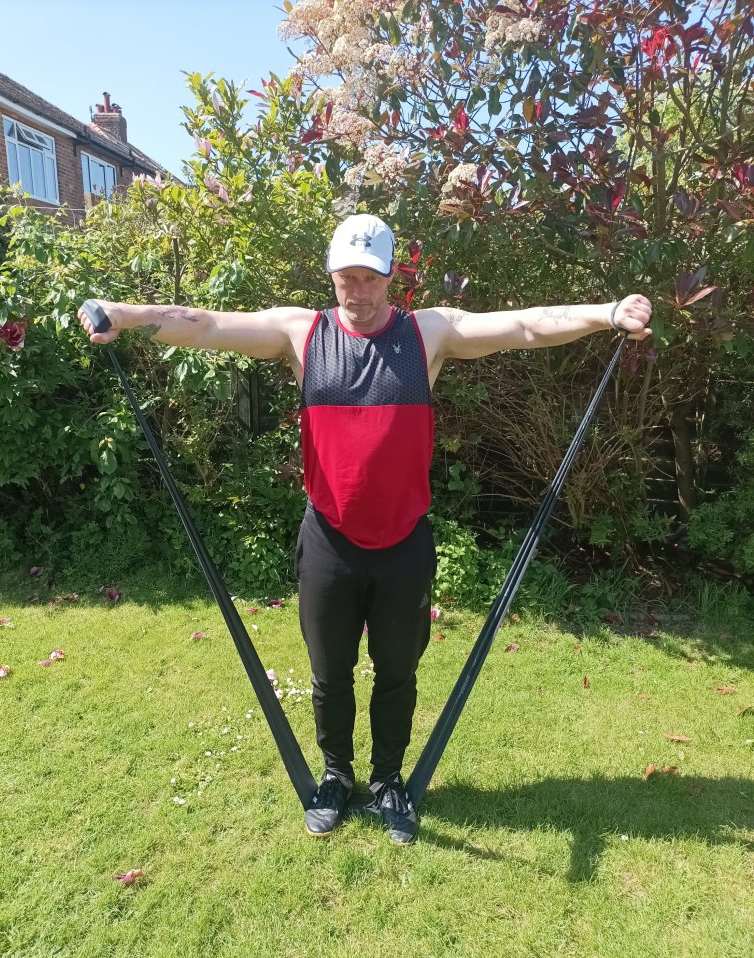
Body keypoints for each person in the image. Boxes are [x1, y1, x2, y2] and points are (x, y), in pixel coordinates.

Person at [78, 213, 652, 845]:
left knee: (397, 673)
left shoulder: (427, 333)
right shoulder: (302, 332)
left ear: (390, 276)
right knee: (330, 674)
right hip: (328, 541)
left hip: (404, 543)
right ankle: (335, 775)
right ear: (331, 275)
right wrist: (123, 314)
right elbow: (205, 324)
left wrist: (606, 313)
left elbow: (523, 326)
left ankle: (387, 780)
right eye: (346, 277)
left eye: (370, 278)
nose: (358, 291)